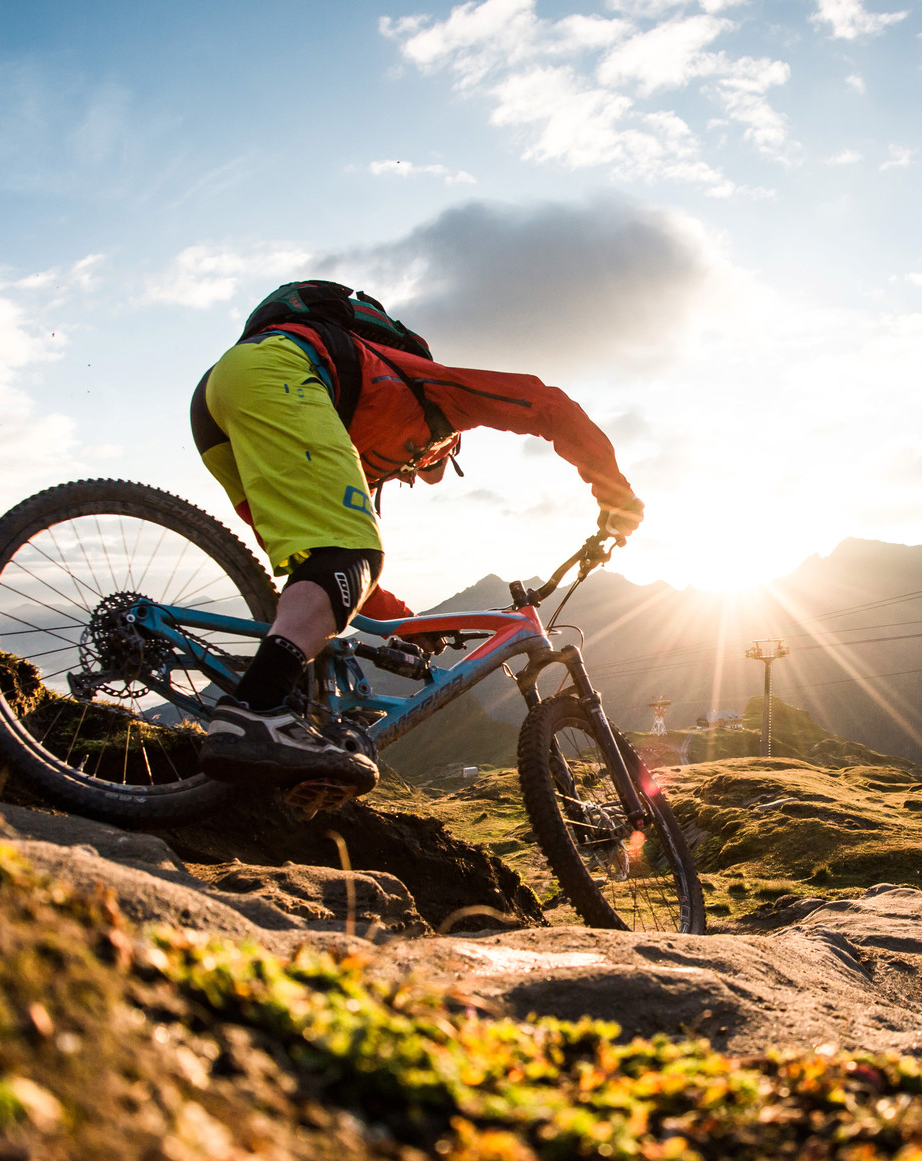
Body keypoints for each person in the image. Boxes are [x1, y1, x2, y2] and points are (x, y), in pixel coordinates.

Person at [188, 280, 644, 790]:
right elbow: (546, 403)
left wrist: (405, 623)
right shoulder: (427, 385)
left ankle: (274, 716)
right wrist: (616, 496)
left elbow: (336, 574)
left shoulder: (347, 436)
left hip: (219, 396)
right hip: (280, 370)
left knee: (328, 561)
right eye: (434, 459)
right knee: (354, 552)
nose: (423, 473)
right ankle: (255, 709)